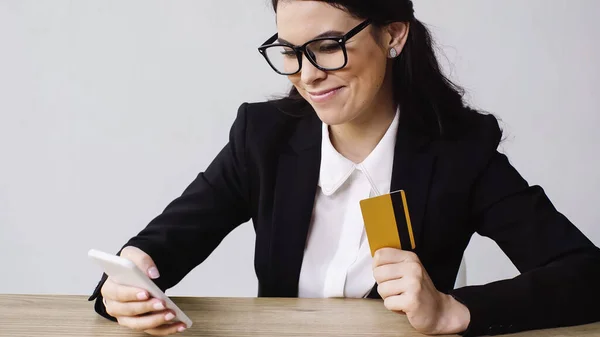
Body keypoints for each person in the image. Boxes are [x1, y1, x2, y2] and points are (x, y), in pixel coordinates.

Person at [88, 1, 600, 336]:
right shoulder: (264, 137)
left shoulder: (460, 151)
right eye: (289, 52)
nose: (307, 75)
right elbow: (157, 250)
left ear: (393, 36)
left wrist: (453, 310)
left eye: (328, 47)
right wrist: (123, 289)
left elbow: (587, 276)